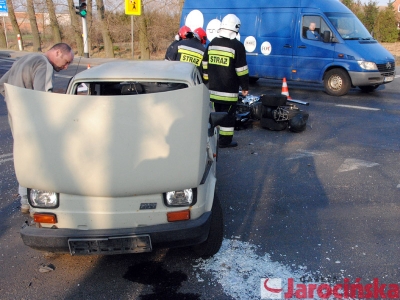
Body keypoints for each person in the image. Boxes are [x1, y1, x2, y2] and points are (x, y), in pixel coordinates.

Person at [0, 42, 74, 213]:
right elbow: (43, 97)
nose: (66, 66)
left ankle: (25, 200)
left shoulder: (25, 59)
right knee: (38, 158)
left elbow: (3, 84)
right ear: (57, 52)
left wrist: (14, 102)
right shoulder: (44, 65)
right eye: (66, 61)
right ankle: (35, 201)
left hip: (16, 116)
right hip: (33, 119)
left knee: (23, 156)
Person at [202, 14, 249, 148]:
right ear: (236, 29)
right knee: (227, 117)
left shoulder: (212, 44)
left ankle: (211, 138)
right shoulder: (237, 46)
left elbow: (204, 64)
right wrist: (245, 86)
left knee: (214, 115)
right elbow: (242, 70)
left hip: (212, 90)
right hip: (228, 92)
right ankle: (224, 142)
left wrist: (206, 80)